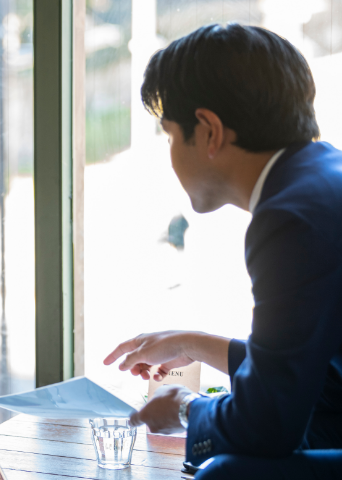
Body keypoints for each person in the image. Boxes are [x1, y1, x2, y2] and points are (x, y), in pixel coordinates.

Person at [103, 24, 342, 479]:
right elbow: (323, 379)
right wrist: (191, 344)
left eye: (170, 135)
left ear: (209, 131)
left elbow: (266, 427)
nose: (170, 154)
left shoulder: (292, 217)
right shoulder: (320, 180)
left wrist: (188, 408)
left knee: (222, 472)